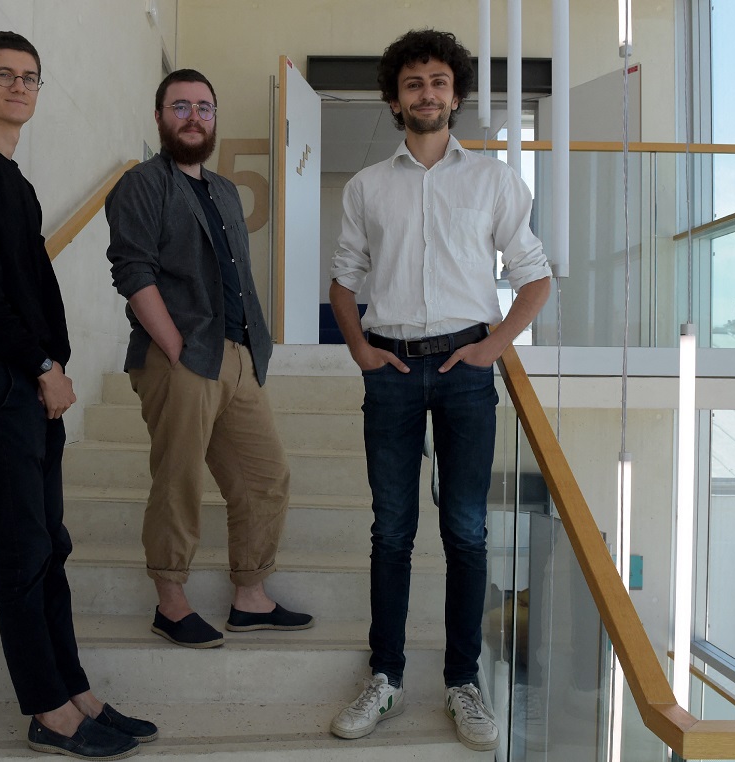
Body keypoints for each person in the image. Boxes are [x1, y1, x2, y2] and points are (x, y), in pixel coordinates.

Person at [0, 31, 156, 761]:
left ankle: (75, 689)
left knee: (50, 544)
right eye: (4, 76)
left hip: (28, 382)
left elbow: (22, 291)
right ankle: (47, 710)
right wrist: (41, 365)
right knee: (24, 546)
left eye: (30, 78)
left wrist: (48, 369)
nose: (19, 88)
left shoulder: (15, 182)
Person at [327, 29, 552, 752]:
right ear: (396, 98)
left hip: (464, 373)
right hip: (390, 370)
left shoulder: (493, 181)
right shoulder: (367, 185)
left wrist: (492, 344)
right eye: (414, 83)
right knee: (391, 532)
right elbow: (344, 280)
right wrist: (360, 348)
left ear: (456, 94)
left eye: (439, 82)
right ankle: (385, 678)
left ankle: (463, 681)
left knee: (467, 531)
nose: (428, 93)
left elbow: (535, 275)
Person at [105, 69, 313, 649]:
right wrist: (173, 345)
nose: (194, 116)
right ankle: (170, 603)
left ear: (214, 119)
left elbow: (236, 277)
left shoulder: (223, 191)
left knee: (266, 477)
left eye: (204, 107)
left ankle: (250, 597)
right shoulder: (142, 185)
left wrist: (251, 348)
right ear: (160, 117)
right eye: (181, 107)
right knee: (179, 480)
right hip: (180, 355)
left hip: (238, 355)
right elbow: (133, 271)